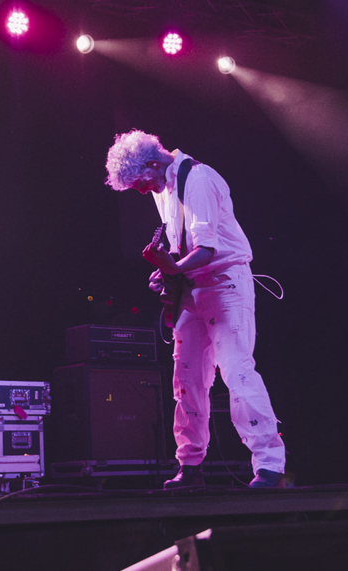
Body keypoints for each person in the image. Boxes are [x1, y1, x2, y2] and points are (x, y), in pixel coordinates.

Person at [104, 129, 286, 489]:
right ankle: (190, 466)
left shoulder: (198, 179)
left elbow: (207, 250)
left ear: (153, 164)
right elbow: (184, 250)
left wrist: (174, 270)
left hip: (224, 284)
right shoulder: (163, 187)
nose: (142, 191)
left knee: (237, 372)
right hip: (191, 288)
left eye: (141, 183)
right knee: (186, 380)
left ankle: (270, 466)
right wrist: (166, 271)